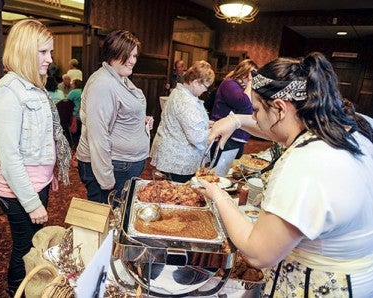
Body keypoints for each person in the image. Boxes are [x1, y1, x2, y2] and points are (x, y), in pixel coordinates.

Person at [201, 52, 373, 297]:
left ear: (280, 107)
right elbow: (274, 127)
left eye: (257, 109)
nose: (255, 118)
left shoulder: (307, 162)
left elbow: (258, 253)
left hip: (320, 285)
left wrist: (217, 195)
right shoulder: (350, 127)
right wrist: (236, 121)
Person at [0, 19, 72, 296]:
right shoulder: (8, 93)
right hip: (19, 192)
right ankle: (17, 291)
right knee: (26, 249)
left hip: (36, 184)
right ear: (24, 51)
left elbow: (40, 141)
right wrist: (33, 203)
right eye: (43, 52)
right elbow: (10, 160)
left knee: (33, 245)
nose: (50, 59)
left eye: (50, 52)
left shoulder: (33, 86)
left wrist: (48, 177)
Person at [76, 29, 152, 203]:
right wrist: (105, 178)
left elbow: (119, 113)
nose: (133, 61)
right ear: (113, 54)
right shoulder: (102, 84)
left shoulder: (120, 77)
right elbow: (98, 134)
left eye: (135, 56)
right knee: (107, 221)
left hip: (123, 165)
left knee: (117, 216)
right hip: (112, 167)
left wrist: (140, 121)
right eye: (128, 56)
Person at [150, 60, 215, 183]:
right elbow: (196, 137)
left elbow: (187, 122)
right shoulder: (185, 101)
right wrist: (215, 131)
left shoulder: (181, 92)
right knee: (177, 197)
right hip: (178, 161)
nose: (206, 90)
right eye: (206, 86)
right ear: (195, 82)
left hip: (175, 157)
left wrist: (207, 124)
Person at [210, 59, 258, 158]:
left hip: (237, 137)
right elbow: (243, 103)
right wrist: (250, 82)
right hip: (227, 137)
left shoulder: (243, 88)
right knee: (220, 171)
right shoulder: (229, 83)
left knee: (230, 170)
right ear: (244, 72)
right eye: (252, 74)